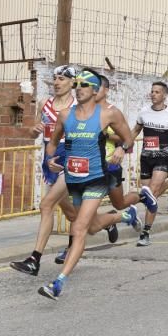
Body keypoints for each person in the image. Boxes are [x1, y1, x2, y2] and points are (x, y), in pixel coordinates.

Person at [37, 70, 138, 300]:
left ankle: (58, 283)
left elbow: (128, 137)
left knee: (79, 228)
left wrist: (122, 148)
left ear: (95, 90)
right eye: (78, 85)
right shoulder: (64, 115)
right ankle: (122, 217)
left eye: (85, 85)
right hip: (73, 180)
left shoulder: (108, 114)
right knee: (91, 227)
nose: (79, 88)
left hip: (95, 178)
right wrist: (50, 160)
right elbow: (52, 143)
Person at [11, 65, 79, 276]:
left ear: (72, 83)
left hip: (69, 160)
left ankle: (35, 259)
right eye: (55, 78)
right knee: (68, 210)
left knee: (46, 205)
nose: (57, 83)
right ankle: (105, 222)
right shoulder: (44, 104)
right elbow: (33, 133)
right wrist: (34, 129)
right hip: (49, 159)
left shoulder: (78, 107)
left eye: (62, 79)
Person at [132, 82, 168, 247]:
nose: (153, 94)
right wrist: (124, 145)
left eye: (157, 92)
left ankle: (145, 232)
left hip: (163, 157)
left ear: (164, 95)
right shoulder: (144, 111)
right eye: (152, 91)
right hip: (146, 157)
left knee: (152, 193)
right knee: (147, 196)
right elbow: (135, 130)